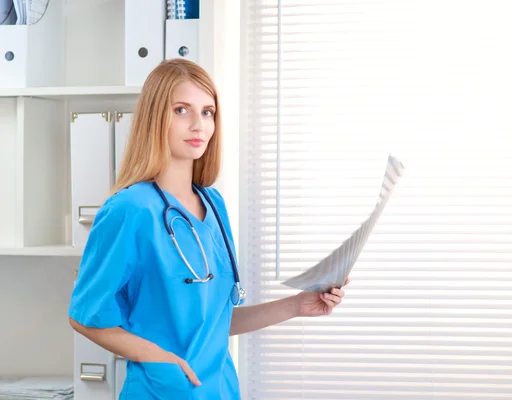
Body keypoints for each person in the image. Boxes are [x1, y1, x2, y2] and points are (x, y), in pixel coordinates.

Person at [67, 58, 348, 400]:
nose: (198, 125)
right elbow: (84, 315)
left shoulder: (213, 204)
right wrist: (159, 358)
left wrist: (297, 305)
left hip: (220, 390)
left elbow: (213, 324)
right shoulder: (130, 210)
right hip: (162, 390)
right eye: (182, 110)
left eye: (208, 112)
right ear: (155, 118)